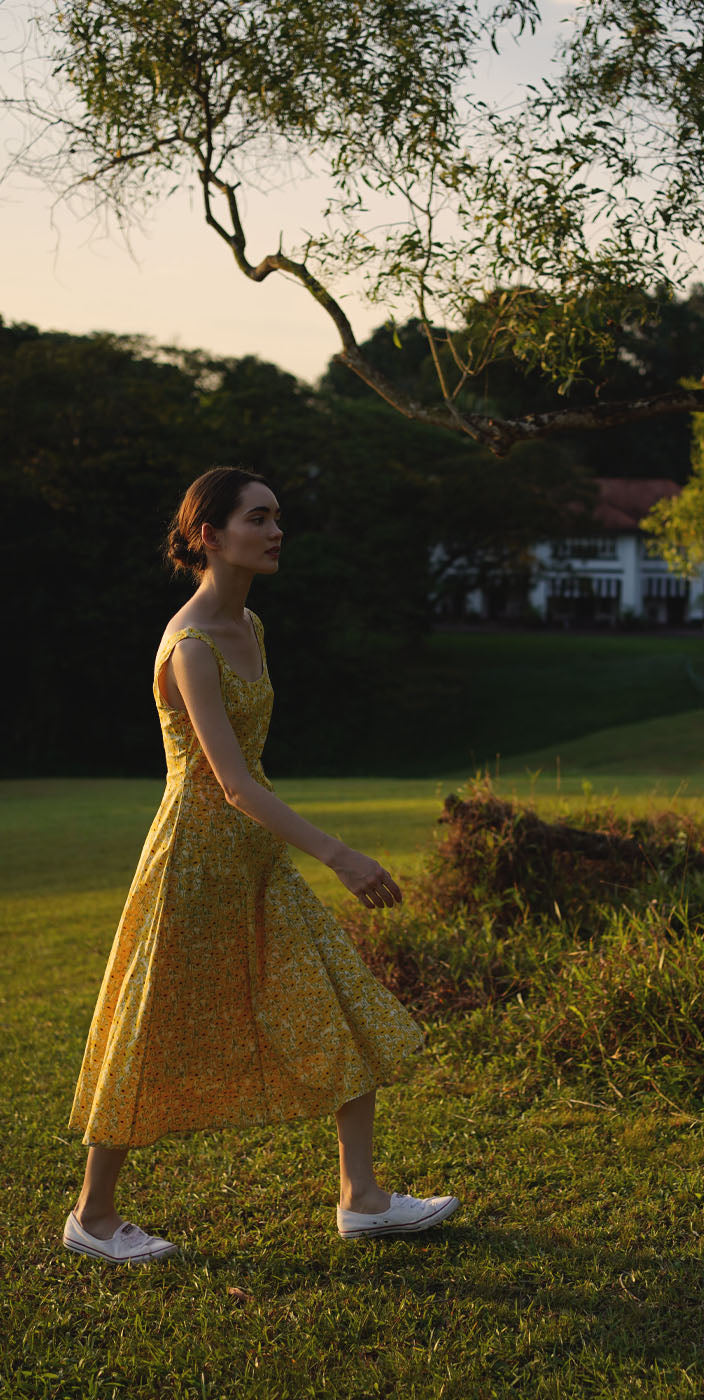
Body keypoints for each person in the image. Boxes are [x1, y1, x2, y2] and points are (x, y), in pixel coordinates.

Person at [63, 466, 459, 1264]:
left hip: (256, 859)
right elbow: (233, 784)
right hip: (194, 860)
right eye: (258, 518)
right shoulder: (192, 645)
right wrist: (339, 855)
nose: (276, 531)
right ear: (209, 536)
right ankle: (92, 1217)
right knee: (148, 1031)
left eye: (278, 517)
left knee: (336, 995)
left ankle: (364, 1199)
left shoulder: (254, 627)